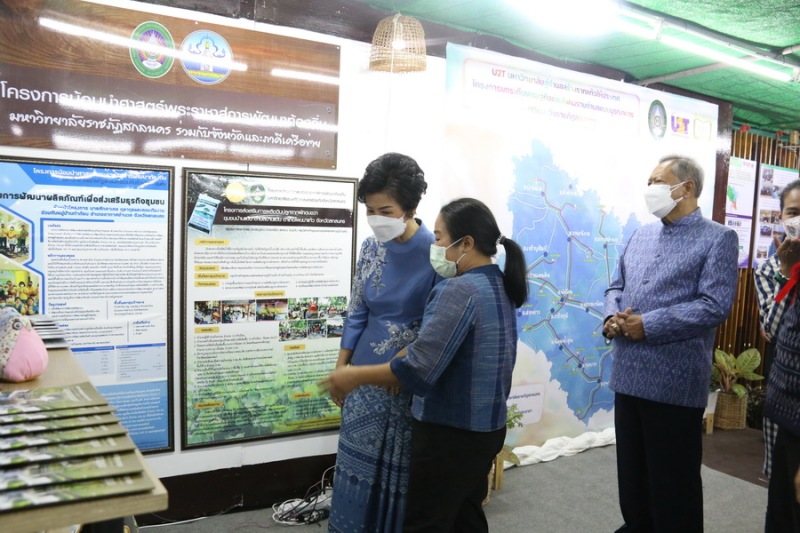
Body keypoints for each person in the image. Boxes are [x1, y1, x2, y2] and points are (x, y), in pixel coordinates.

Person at [321, 197, 528, 533]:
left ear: (467, 244)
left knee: (426, 521)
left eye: (440, 237)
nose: (436, 246)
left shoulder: (458, 290)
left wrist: (354, 376)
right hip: (486, 428)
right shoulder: (497, 283)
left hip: (450, 432)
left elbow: (418, 370)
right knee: (466, 514)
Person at [604, 155, 738, 533]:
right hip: (628, 376)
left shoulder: (718, 238)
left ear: (686, 188)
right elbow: (616, 286)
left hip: (673, 384)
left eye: (658, 181)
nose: (650, 189)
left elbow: (714, 305)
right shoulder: (640, 235)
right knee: (632, 479)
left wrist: (649, 325)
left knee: (673, 484)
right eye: (649, 181)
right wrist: (611, 317)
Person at [327, 153, 438, 533]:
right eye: (370, 211)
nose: (376, 219)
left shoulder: (438, 254)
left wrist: (400, 367)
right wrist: (343, 369)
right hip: (361, 373)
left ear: (411, 207)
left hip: (402, 377)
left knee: (396, 469)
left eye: (385, 211)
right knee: (354, 461)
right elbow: (357, 310)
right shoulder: (370, 247)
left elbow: (435, 324)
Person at [754, 179, 800, 480]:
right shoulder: (768, 269)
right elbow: (770, 328)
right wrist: (787, 272)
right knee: (782, 480)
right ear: (782, 217)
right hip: (785, 385)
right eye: (793, 212)